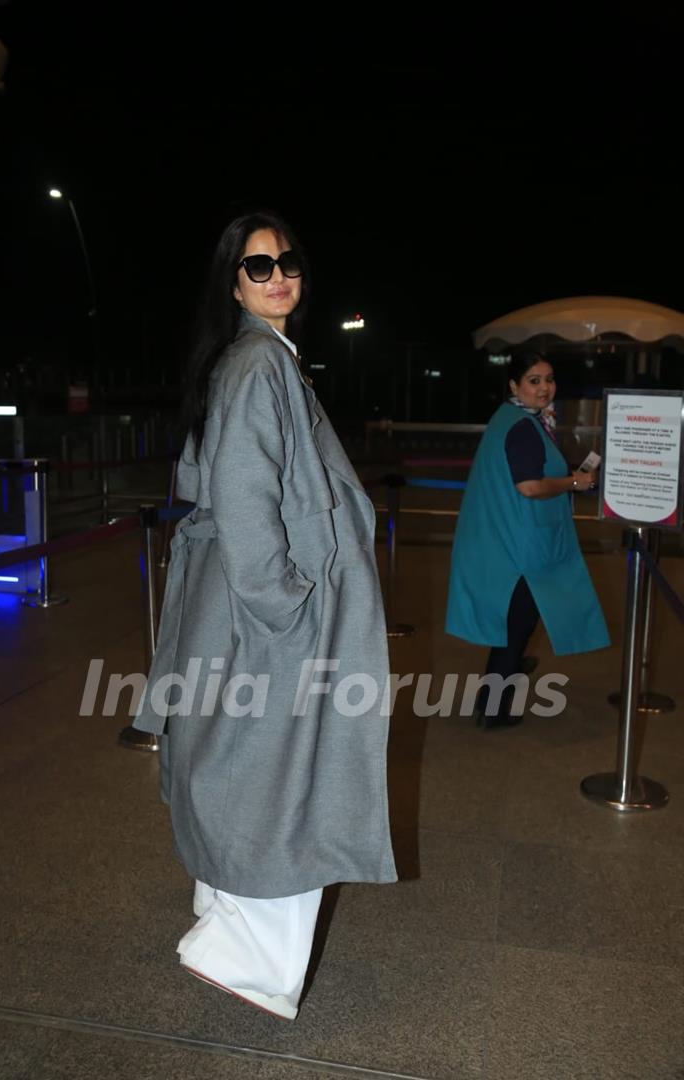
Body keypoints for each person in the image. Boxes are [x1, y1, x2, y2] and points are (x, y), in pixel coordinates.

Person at [134, 210, 396, 1018]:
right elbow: (245, 498)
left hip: (246, 603)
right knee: (285, 778)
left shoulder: (246, 359)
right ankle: (240, 957)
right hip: (272, 612)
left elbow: (204, 478)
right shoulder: (258, 365)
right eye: (258, 266)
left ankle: (222, 916)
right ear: (233, 280)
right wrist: (287, 606)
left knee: (241, 761)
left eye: (287, 261)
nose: (278, 275)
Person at [445, 352, 610, 728]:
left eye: (549, 379)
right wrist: (574, 482)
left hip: (509, 540)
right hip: (522, 549)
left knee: (514, 627)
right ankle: (493, 711)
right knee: (515, 629)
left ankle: (493, 698)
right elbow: (530, 486)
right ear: (514, 385)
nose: (544, 387)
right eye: (533, 380)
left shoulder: (513, 419)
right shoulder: (522, 426)